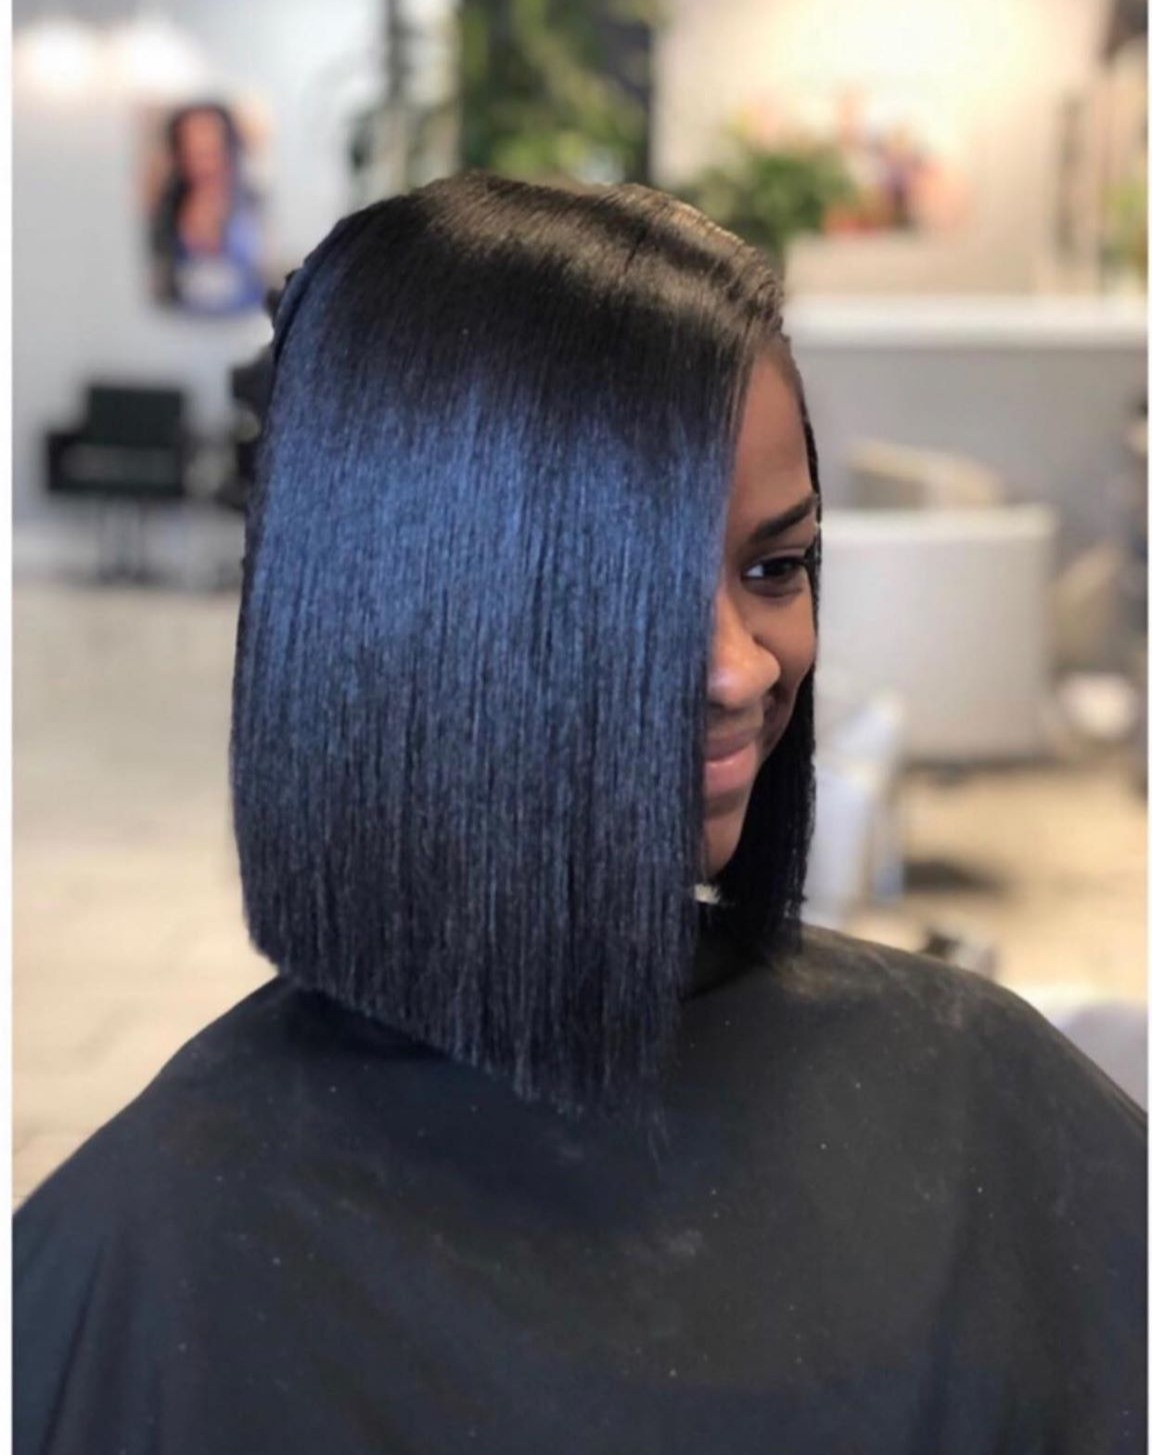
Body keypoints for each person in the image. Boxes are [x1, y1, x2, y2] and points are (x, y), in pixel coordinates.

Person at [15, 173, 1145, 1454]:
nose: (745, 667)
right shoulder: (151, 1250)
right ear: (410, 611)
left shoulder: (973, 1100)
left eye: (777, 567)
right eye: (644, 587)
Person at [149, 102, 265, 316]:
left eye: (212, 152)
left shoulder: (256, 207)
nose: (204, 166)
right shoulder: (165, 217)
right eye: (193, 154)